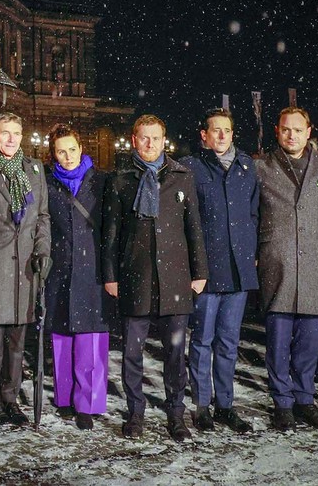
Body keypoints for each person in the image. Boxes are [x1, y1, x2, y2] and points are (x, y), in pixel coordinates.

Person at [103, 114, 207, 441]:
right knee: (132, 355)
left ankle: (176, 415)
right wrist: (110, 276)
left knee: (175, 355)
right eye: (144, 138)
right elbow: (111, 235)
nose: (150, 144)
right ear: (134, 140)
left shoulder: (182, 177)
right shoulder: (120, 180)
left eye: (156, 138)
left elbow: (194, 229)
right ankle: (135, 414)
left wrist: (200, 271)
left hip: (176, 281)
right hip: (135, 279)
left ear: (165, 140)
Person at [0, 112, 51, 426]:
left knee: (17, 342)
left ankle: (10, 396)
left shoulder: (34, 169)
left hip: (26, 266)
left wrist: (43, 250)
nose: (11, 139)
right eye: (5, 133)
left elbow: (42, 217)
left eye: (17, 133)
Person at [180, 108, 258, 434]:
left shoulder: (246, 167)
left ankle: (224, 405)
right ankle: (201, 406)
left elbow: (253, 214)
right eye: (216, 130)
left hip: (238, 270)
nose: (222, 136)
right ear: (204, 135)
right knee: (202, 340)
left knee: (228, 342)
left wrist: (250, 253)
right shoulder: (191, 167)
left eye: (227, 130)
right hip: (207, 270)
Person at [255, 107, 318, 431]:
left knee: (309, 344)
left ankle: (304, 399)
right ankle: (281, 402)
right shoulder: (261, 168)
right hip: (277, 264)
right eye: (286, 129)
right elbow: (250, 216)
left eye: (298, 130)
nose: (292, 135)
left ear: (309, 131)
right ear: (277, 130)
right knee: (278, 342)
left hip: (315, 267)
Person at [43, 124, 110, 431]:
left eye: (72, 149)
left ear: (81, 149)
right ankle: (65, 397)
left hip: (93, 269)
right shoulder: (47, 183)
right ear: (53, 154)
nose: (67, 156)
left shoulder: (100, 182)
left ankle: (88, 402)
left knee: (90, 337)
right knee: (62, 335)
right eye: (61, 151)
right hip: (59, 268)